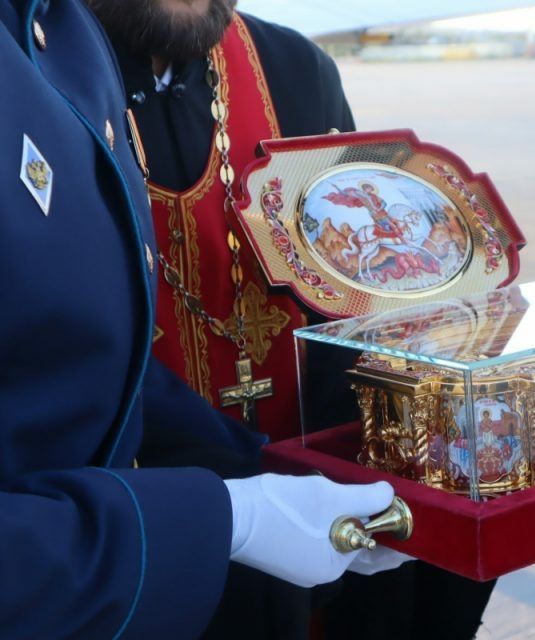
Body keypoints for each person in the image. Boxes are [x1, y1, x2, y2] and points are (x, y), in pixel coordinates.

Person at [87, 1, 496, 637]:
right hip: (135, 543)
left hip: (319, 537)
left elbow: (364, 314)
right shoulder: (38, 77)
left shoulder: (295, 71)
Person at [0, 0, 401, 638]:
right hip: (101, 565)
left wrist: (288, 478)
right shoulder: (62, 48)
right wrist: (233, 514)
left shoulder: (291, 71)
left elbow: (359, 315)